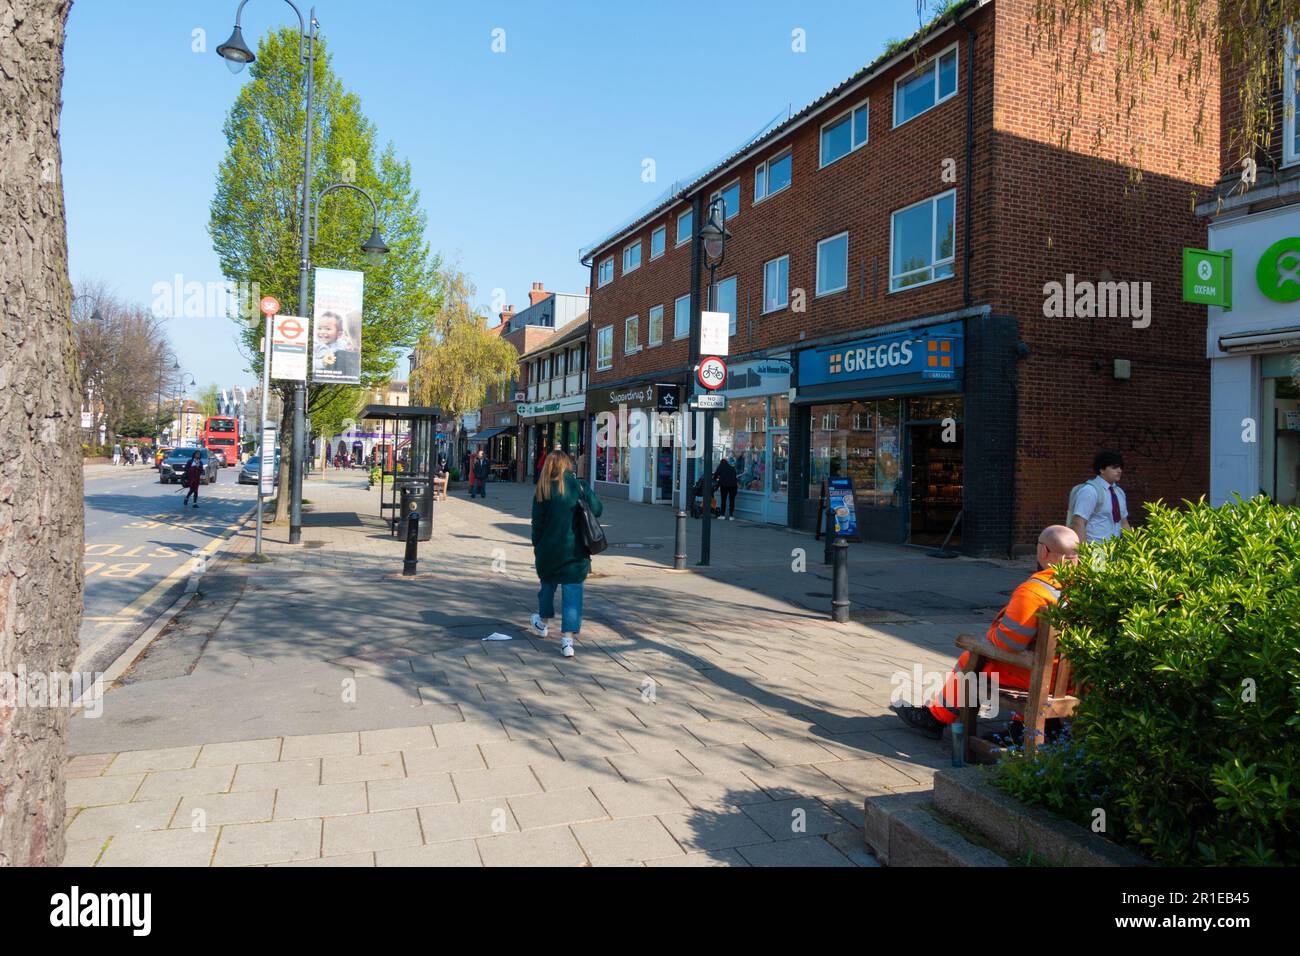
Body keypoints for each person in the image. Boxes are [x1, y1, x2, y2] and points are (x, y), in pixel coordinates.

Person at [892, 525, 1081, 740]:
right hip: (1075, 678)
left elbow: (1009, 644)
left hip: (1041, 677)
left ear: (1043, 552)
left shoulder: (1034, 592)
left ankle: (936, 719)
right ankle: (1043, 726)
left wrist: (984, 642)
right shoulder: (1090, 586)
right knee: (1020, 659)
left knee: (971, 659)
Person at [529, 450, 603, 659]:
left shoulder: (542, 489)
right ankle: (567, 641)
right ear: (567, 465)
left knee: (547, 589)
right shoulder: (580, 486)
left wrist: (537, 546)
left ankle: (543, 622)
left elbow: (537, 525)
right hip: (576, 551)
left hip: (549, 551)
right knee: (573, 595)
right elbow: (597, 509)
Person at [1070, 451, 1130, 544]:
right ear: (1101, 469)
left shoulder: (1119, 492)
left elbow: (1124, 523)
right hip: (1094, 550)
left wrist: (1133, 550)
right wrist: (1084, 554)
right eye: (1114, 467)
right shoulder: (1090, 491)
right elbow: (1078, 523)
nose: (1119, 471)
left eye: (1120, 467)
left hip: (1114, 551)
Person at [313, 310, 361, 380]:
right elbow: (314, 364)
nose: (322, 332)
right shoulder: (317, 346)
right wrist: (323, 362)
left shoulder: (342, 346)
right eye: (319, 328)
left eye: (328, 329)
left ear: (339, 334)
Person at [713, 455, 739, 520]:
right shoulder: (732, 466)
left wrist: (715, 479)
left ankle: (722, 515)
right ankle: (731, 516)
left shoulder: (721, 466)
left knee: (723, 500)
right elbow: (735, 475)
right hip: (733, 485)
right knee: (732, 500)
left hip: (724, 485)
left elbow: (716, 475)